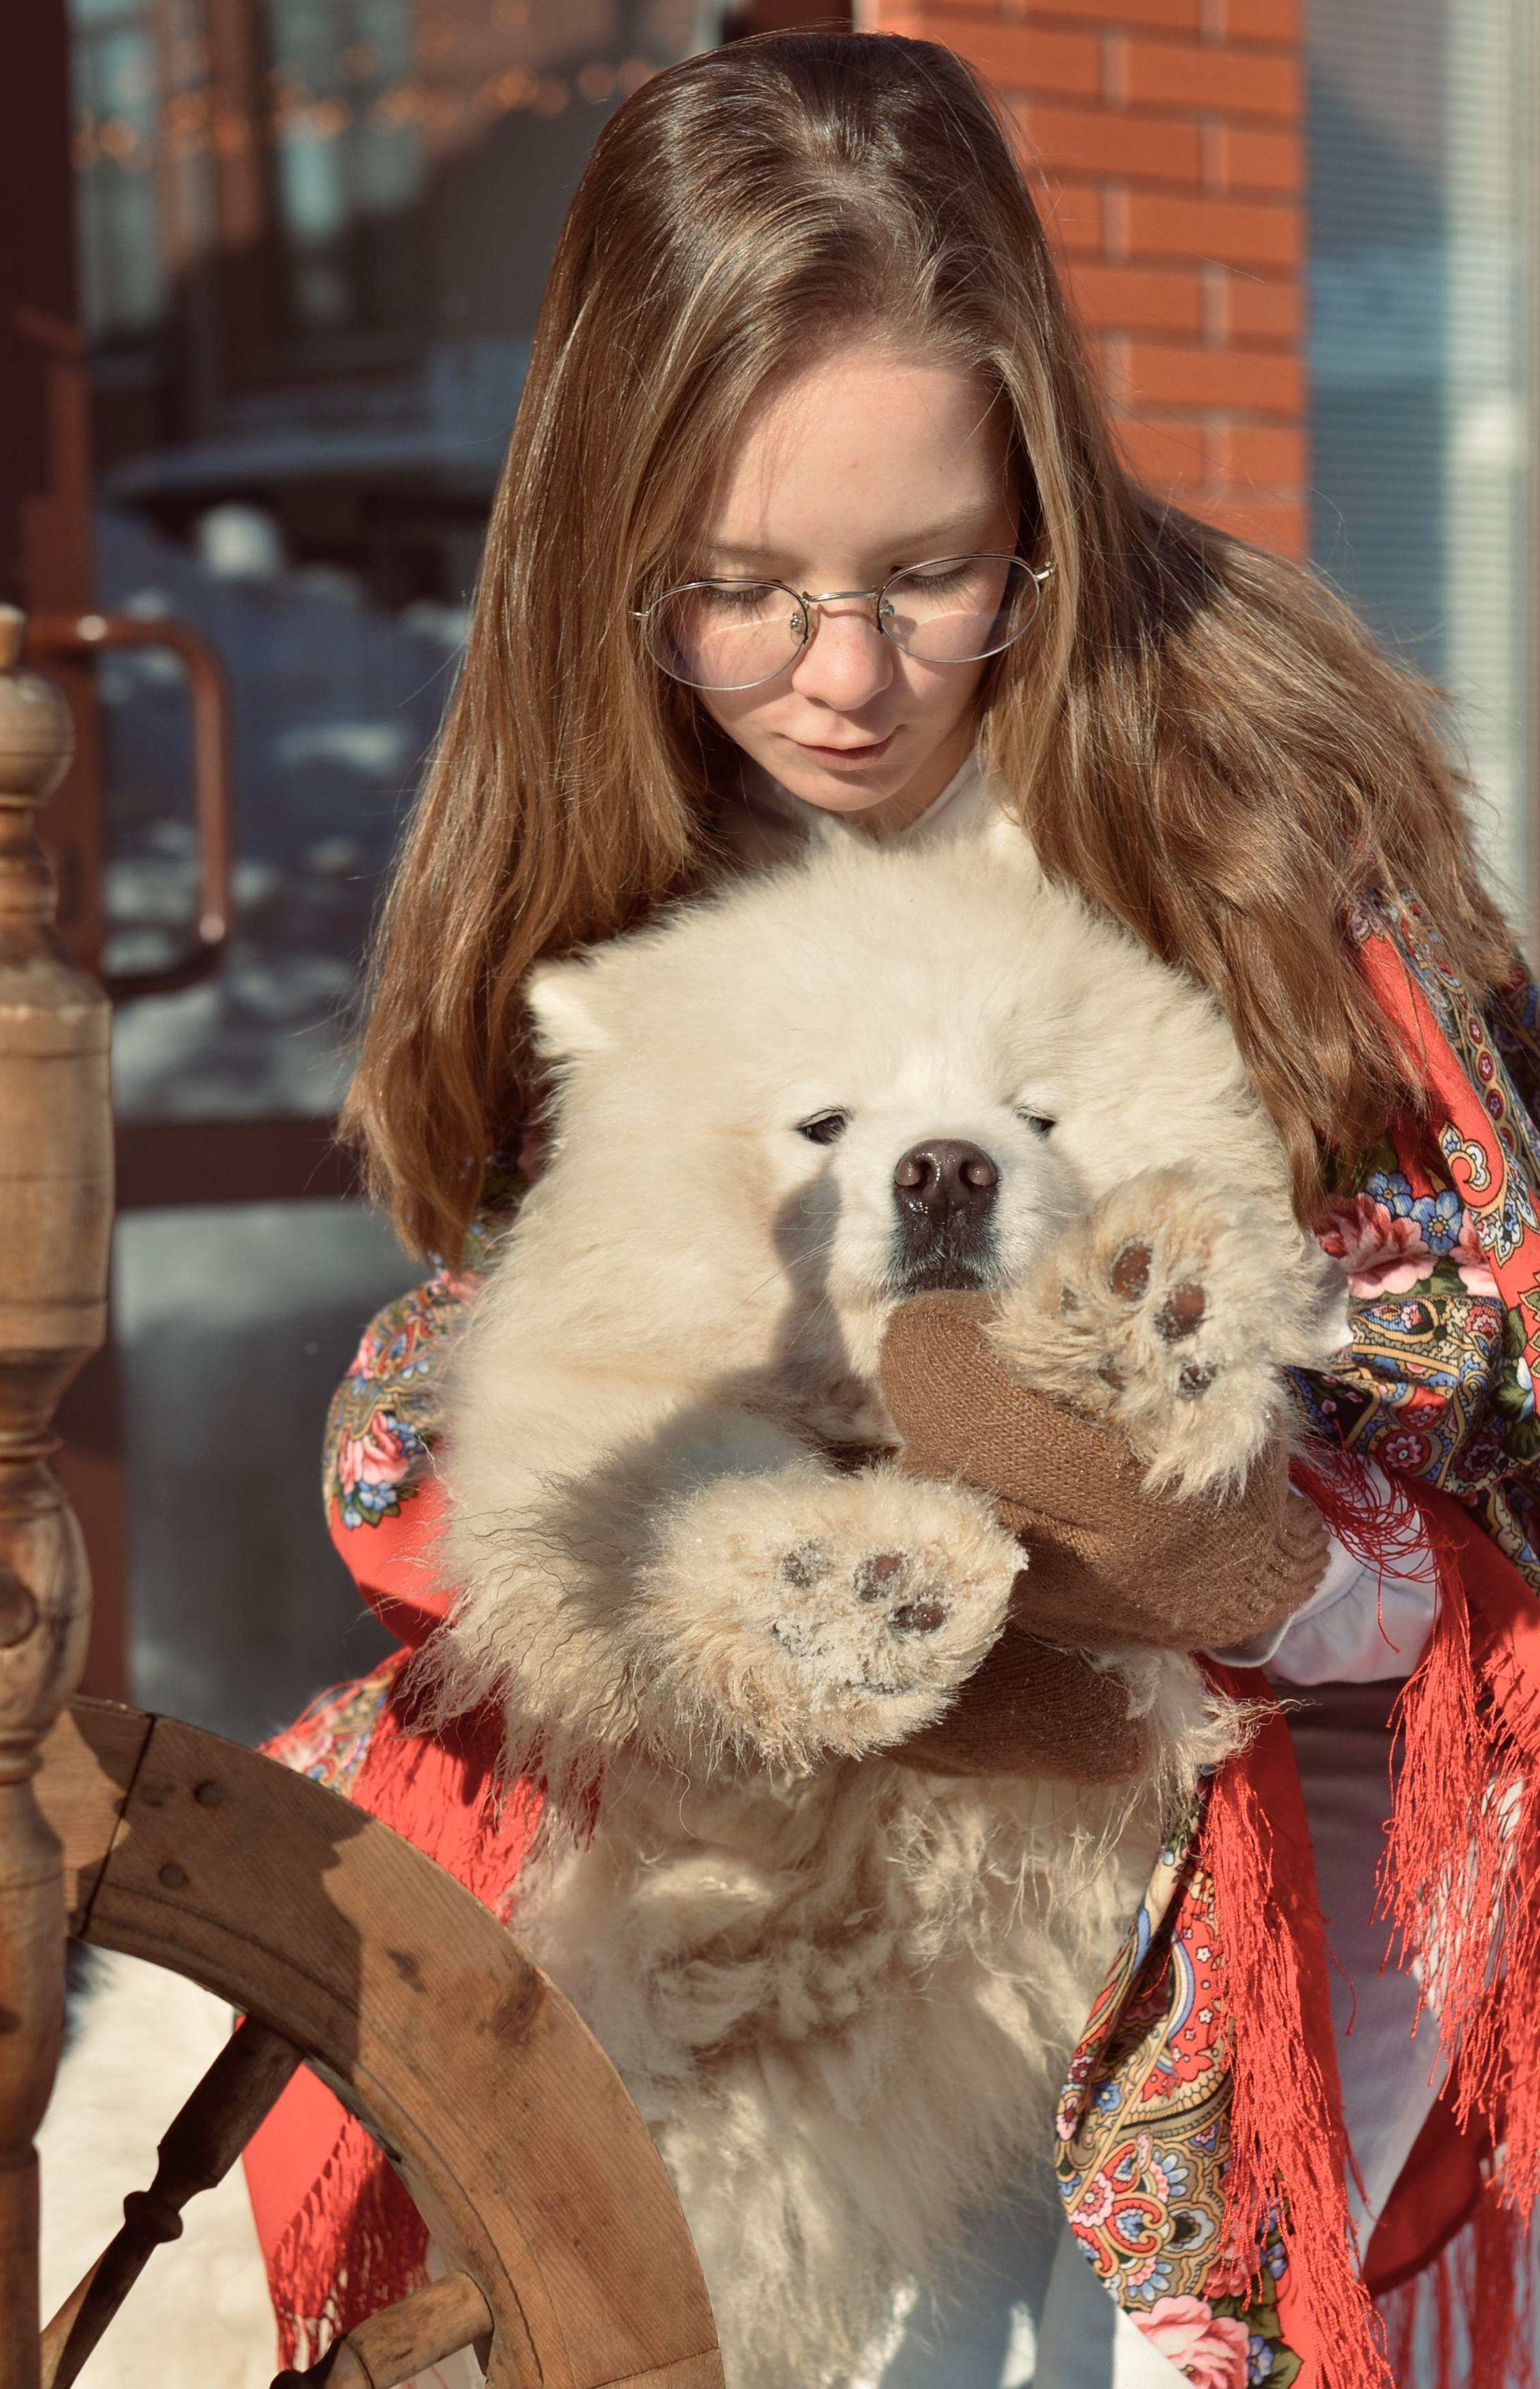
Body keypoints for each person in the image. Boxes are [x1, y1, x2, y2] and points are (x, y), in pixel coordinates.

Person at [243, 31, 1540, 2387]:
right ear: (601, 558)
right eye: (727, 591)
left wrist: (1185, 1542)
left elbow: (1487, 1355)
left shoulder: (1247, 803)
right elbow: (476, 1383)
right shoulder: (610, 830)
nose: (837, 681)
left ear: (1034, 490)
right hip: (791, 1844)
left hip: (1264, 1859)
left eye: (929, 577)